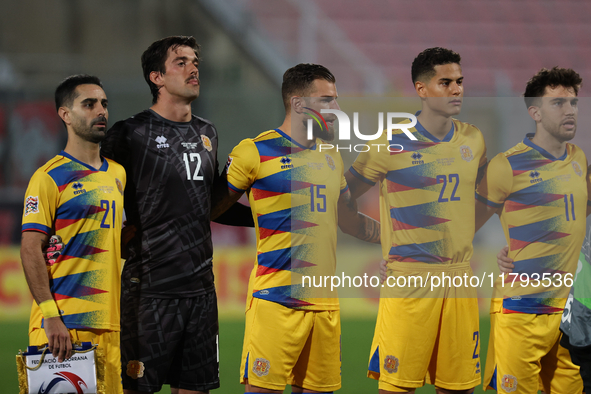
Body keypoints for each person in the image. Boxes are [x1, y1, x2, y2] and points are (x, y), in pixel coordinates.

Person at [211, 63, 380, 393]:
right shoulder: (254, 151)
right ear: (300, 104)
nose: (337, 110)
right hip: (276, 302)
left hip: (326, 306)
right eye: (328, 101)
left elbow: (350, 222)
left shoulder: (331, 157)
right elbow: (213, 208)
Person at [100, 36, 253, 394]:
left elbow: (210, 205)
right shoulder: (129, 134)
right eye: (180, 62)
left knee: (196, 389)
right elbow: (96, 189)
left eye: (194, 61)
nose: (193, 67)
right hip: (149, 290)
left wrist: (266, 218)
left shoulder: (207, 132)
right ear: (157, 77)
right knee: (137, 389)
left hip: (200, 290)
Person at [346, 47, 487, 393]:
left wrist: (463, 235)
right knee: (398, 387)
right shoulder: (388, 144)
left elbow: (486, 198)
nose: (456, 89)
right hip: (409, 281)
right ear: (422, 89)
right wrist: (374, 237)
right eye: (446, 82)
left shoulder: (473, 139)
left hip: (459, 280)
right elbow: (341, 197)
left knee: (460, 387)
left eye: (459, 81)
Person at [475, 67, 590, 393]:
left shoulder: (579, 159)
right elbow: (464, 224)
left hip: (571, 316)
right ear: (535, 112)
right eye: (558, 103)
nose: (570, 110)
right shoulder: (506, 166)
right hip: (523, 311)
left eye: (574, 102)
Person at [21, 74, 125, 394]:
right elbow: (30, 248)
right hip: (65, 327)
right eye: (89, 104)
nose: (101, 111)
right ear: (65, 115)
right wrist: (51, 316)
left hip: (111, 327)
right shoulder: (49, 176)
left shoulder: (118, 174)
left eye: (104, 104)